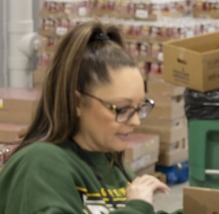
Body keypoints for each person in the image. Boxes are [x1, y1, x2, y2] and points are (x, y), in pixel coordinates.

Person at [0, 21, 179, 214]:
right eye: (121, 109)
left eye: (140, 107)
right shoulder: (40, 164)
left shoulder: (112, 163)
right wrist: (136, 208)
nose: (135, 121)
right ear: (76, 102)